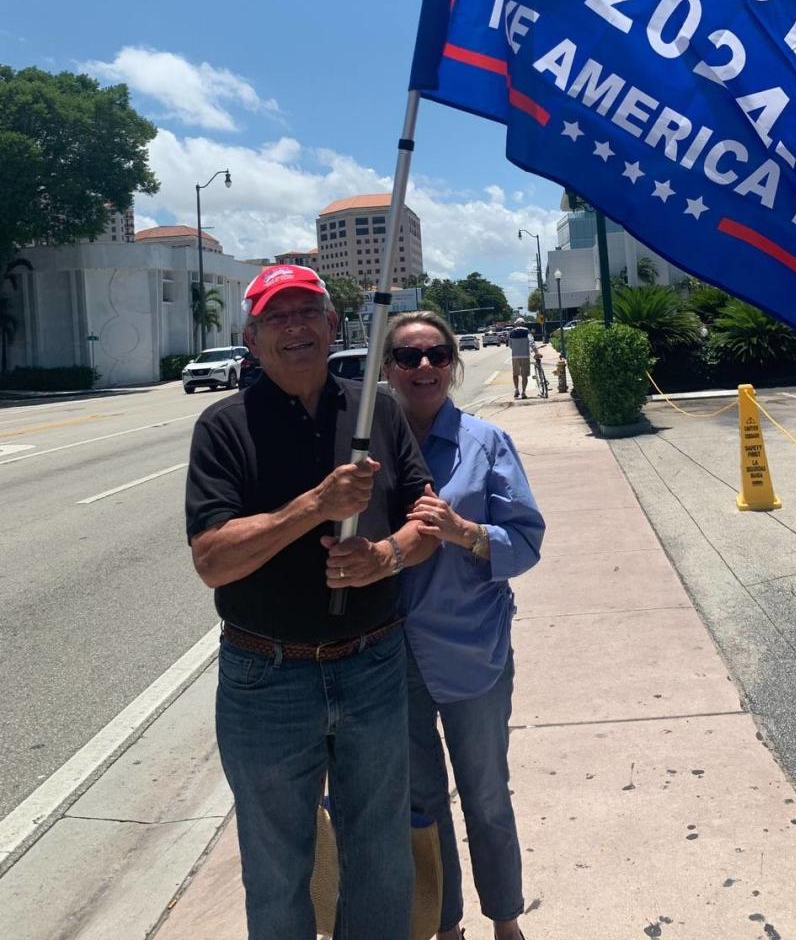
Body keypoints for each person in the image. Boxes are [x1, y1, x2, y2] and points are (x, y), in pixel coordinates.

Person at [185, 264, 435, 940]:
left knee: (381, 854)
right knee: (276, 869)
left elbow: (427, 516)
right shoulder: (223, 427)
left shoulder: (375, 409)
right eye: (277, 316)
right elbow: (212, 559)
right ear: (252, 336)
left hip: (373, 662)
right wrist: (314, 507)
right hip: (267, 678)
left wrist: (386, 555)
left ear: (333, 326)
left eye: (308, 313)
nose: (295, 327)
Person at [383, 310, 545, 940]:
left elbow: (527, 541)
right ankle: (444, 925)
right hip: (393, 660)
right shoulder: (370, 448)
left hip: (471, 651)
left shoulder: (485, 442)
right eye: (406, 357)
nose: (423, 367)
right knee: (420, 804)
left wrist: (466, 533)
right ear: (388, 370)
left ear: (452, 363)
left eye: (435, 355)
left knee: (485, 796)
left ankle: (506, 920)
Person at [507, 317, 535, 399]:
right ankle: (523, 392)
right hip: (525, 356)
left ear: (516, 324)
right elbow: (531, 342)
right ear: (524, 323)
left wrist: (516, 349)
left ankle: (516, 390)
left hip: (515, 356)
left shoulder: (511, 332)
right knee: (524, 375)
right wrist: (535, 351)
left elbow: (510, 345)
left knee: (515, 374)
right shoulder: (527, 331)